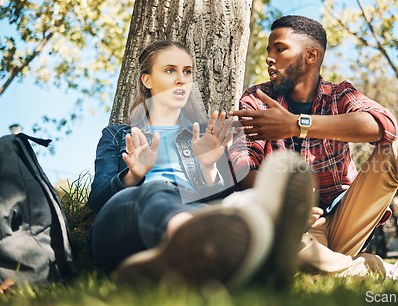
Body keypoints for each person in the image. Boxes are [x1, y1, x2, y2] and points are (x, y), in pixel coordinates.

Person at [229, 15, 398, 278]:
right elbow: (245, 169)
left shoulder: (339, 95)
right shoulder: (256, 100)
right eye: (268, 50)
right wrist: (287, 207)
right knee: (282, 250)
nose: (269, 58)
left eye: (280, 49)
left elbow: (385, 127)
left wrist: (298, 124)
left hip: (345, 220)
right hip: (292, 233)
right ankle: (381, 271)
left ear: (311, 56)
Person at [87, 40, 315, 287]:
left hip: (194, 219)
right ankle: (205, 245)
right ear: (147, 80)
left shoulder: (203, 138)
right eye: (170, 70)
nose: (182, 80)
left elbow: (219, 204)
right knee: (156, 189)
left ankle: (250, 247)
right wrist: (134, 175)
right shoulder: (117, 135)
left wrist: (208, 167)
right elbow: (99, 200)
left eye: (187, 71)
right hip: (121, 226)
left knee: (242, 202)